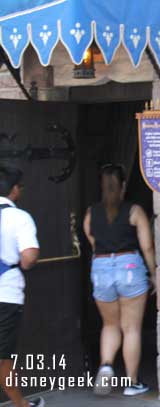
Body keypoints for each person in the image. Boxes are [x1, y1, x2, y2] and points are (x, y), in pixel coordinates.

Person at [83, 164, 156, 397]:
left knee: (110, 325)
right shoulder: (134, 211)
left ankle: (105, 365)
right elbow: (147, 245)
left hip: (101, 268)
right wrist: (154, 273)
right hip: (130, 267)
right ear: (123, 185)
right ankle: (132, 382)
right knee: (131, 328)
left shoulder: (90, 213)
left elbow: (94, 245)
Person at [0, 167, 44, 407]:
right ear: (14, 190)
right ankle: (22, 405)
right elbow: (29, 258)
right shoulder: (20, 218)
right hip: (6, 294)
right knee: (3, 356)